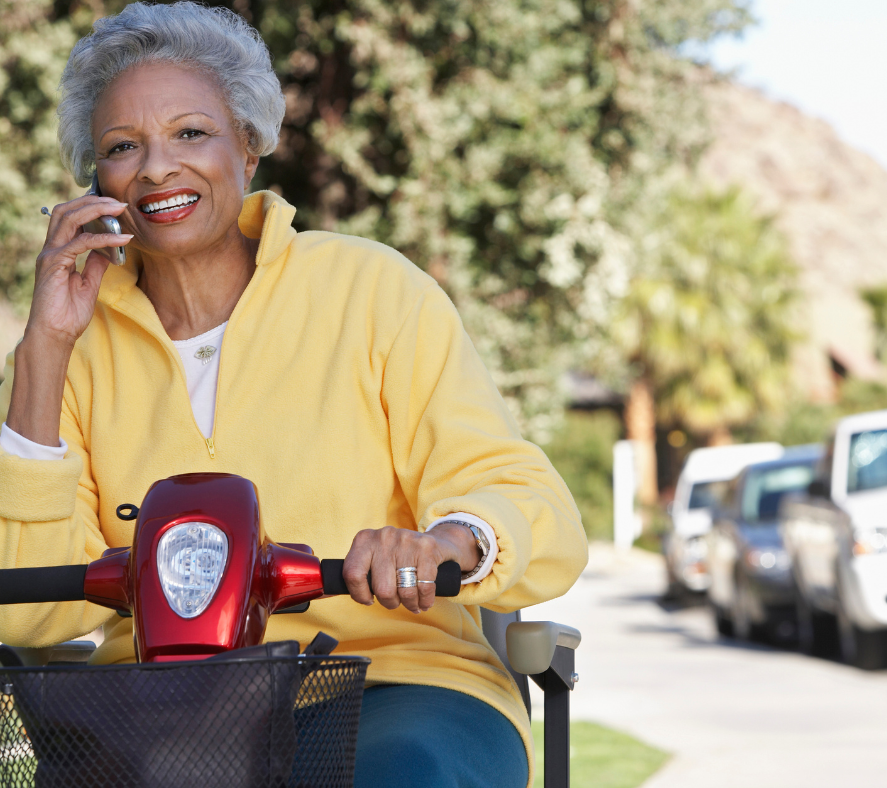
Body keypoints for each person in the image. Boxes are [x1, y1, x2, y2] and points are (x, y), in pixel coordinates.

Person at [0, 3, 587, 786]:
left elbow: (520, 494)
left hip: (394, 680)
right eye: (121, 147)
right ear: (95, 180)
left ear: (247, 145)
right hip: (161, 715)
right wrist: (43, 345)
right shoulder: (72, 345)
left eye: (190, 133)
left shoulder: (370, 288)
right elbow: (32, 614)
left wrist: (446, 542)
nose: (156, 168)